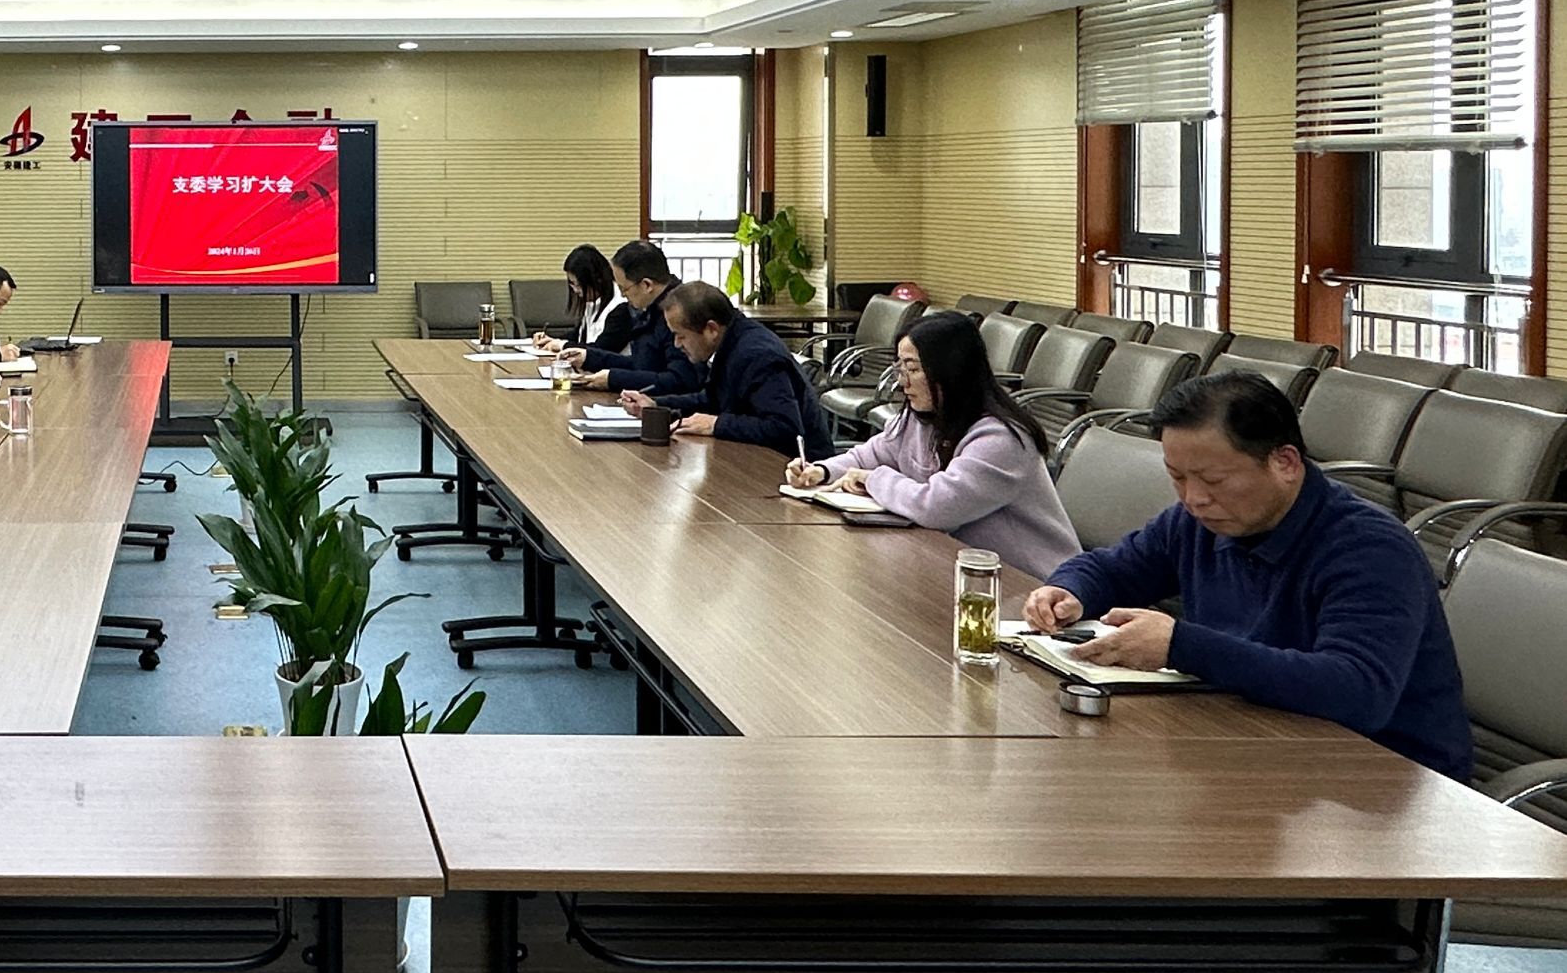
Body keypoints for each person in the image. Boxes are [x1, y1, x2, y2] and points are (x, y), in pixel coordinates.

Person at [1021, 371, 1470, 778]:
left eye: (1213, 480)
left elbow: (1357, 692)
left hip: (1381, 779)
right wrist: (1068, 589)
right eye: (1177, 477)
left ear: (1285, 463)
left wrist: (1181, 646)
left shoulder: (1369, 549)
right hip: (1256, 740)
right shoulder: (1197, 522)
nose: (1194, 498)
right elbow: (1112, 568)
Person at [788, 311, 1078, 580]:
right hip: (960, 567)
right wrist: (821, 471)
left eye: (912, 369)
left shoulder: (1002, 438)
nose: (903, 382)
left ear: (950, 371)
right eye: (899, 368)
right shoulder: (923, 417)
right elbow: (871, 455)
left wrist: (874, 480)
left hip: (1035, 586)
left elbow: (937, 507)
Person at [624, 280, 835, 456]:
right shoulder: (732, 341)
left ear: (711, 329)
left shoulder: (757, 355)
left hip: (800, 468)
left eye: (681, 336)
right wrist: (656, 405)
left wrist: (716, 424)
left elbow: (785, 429)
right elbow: (712, 400)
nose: (677, 344)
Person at [556, 240, 698, 393]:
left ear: (647, 285)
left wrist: (612, 379)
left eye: (624, 289)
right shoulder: (651, 310)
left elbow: (678, 381)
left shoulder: (677, 314)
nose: (623, 295)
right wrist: (589, 358)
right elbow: (642, 364)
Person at [529, 244, 632, 354]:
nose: (575, 290)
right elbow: (578, 336)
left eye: (577, 285)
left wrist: (562, 345)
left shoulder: (621, 307)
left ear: (596, 280)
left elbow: (601, 349)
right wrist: (550, 340)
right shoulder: (594, 302)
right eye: (571, 284)